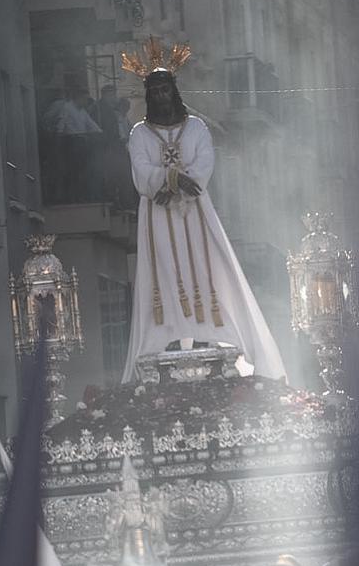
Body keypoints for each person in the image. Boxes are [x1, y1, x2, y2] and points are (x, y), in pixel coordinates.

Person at [120, 39, 287, 381]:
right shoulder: (140, 133)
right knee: (163, 268)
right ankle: (167, 335)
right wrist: (170, 180)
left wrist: (177, 182)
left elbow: (204, 163)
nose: (161, 96)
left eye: (166, 89)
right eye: (155, 92)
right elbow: (141, 170)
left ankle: (207, 330)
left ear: (174, 91)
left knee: (205, 265)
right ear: (149, 96)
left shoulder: (195, 127)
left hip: (194, 210)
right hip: (158, 215)